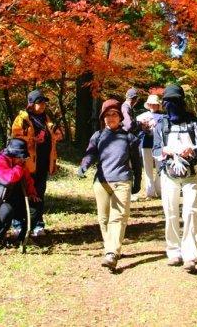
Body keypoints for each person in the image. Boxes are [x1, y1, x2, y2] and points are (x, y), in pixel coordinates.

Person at [78, 99, 142, 271]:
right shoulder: (98, 136)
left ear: (120, 117)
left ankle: (111, 253)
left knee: (118, 218)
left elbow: (137, 162)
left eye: (114, 114)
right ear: (103, 118)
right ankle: (111, 249)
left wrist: (138, 181)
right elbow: (90, 154)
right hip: (101, 182)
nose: (111, 118)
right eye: (107, 115)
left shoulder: (130, 138)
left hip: (122, 181)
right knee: (103, 219)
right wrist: (83, 166)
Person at [153, 84, 197, 273]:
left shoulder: (193, 122)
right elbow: (156, 150)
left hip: (191, 173)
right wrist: (166, 151)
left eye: (176, 101)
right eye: (169, 101)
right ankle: (173, 251)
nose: (172, 105)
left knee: (191, 211)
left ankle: (190, 254)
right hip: (168, 174)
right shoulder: (161, 124)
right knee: (171, 212)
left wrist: (192, 150)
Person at [11, 89, 59, 237]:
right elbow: (16, 138)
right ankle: (18, 224)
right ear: (31, 104)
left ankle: (37, 224)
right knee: (21, 194)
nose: (43, 105)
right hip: (26, 165)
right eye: (40, 102)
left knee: (39, 194)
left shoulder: (47, 119)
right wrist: (33, 140)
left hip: (43, 164)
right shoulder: (22, 119)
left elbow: (55, 137)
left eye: (44, 102)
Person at [0, 138, 41, 251]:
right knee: (6, 211)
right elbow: (7, 179)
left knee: (35, 206)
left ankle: (23, 238)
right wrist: (18, 167)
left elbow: (28, 180)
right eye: (20, 156)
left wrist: (32, 193)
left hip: (16, 199)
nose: (22, 159)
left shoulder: (20, 163)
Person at [136, 94, 163, 198]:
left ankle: (159, 189)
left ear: (158, 105)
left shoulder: (163, 117)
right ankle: (150, 192)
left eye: (155, 104)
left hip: (158, 145)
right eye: (151, 104)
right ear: (148, 104)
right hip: (145, 143)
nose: (153, 106)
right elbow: (137, 130)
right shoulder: (141, 116)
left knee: (160, 168)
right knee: (147, 168)